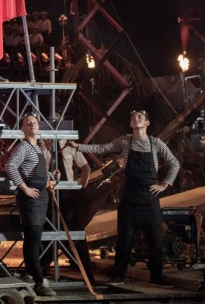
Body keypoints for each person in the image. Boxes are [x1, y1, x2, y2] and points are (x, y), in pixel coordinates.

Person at [76, 110, 180, 286]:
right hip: (130, 197)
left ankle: (157, 278)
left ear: (147, 123)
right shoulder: (125, 141)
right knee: (124, 240)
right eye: (132, 117)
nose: (135, 118)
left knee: (156, 240)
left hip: (150, 198)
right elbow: (102, 148)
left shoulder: (156, 143)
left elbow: (174, 163)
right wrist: (77, 147)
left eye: (139, 116)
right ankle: (119, 276)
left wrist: (164, 185)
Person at [6, 113, 56, 296]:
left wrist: (51, 177)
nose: (32, 125)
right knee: (33, 240)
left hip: (41, 196)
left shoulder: (40, 148)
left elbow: (39, 170)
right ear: (22, 128)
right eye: (28, 123)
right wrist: (24, 188)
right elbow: (10, 166)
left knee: (35, 239)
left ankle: (29, 274)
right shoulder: (24, 147)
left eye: (34, 122)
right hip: (30, 198)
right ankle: (38, 280)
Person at [55, 139, 97, 277]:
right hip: (52, 192)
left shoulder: (70, 147)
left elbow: (86, 167)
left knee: (76, 229)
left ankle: (84, 269)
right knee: (53, 230)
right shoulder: (45, 146)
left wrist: (82, 186)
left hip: (69, 192)